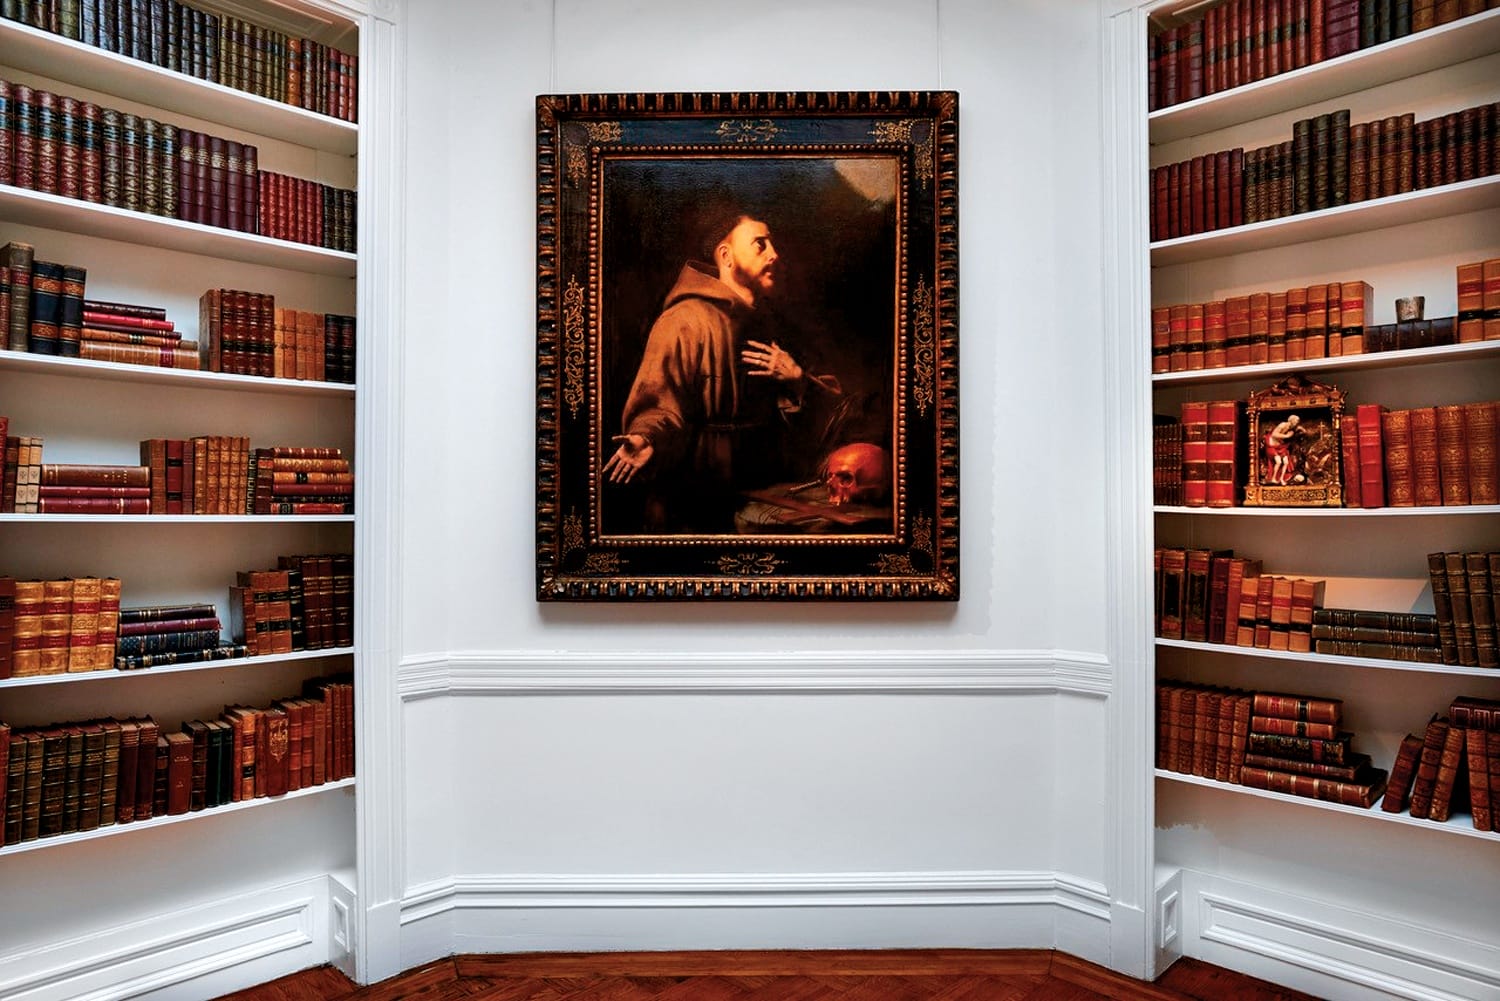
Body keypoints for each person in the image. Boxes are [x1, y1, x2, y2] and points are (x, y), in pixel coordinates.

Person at [603, 211, 841, 532]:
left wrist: (798, 382)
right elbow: (658, 404)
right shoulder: (683, 320)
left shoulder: (772, 323)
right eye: (760, 244)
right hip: (698, 494)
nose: (775, 253)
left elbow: (832, 414)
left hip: (765, 489)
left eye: (771, 243)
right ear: (726, 256)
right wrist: (647, 437)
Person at [1263, 413, 1301, 485]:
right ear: (1291, 421)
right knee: (1279, 462)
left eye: (1297, 422)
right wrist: (1286, 436)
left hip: (1281, 446)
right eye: (1296, 422)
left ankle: (1281, 479)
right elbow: (1274, 434)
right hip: (1273, 445)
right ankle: (1273, 478)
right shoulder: (1283, 425)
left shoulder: (1292, 429)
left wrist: (1301, 429)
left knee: (1286, 462)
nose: (1296, 424)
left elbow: (1302, 431)